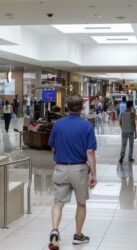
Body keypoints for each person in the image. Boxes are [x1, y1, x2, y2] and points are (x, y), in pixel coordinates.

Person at [47, 95, 97, 250]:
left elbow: (53, 147)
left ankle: (55, 230)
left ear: (66, 107)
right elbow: (90, 152)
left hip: (61, 167)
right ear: (82, 107)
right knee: (81, 203)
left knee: (58, 202)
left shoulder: (58, 125)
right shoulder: (87, 126)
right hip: (80, 169)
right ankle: (78, 235)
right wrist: (93, 174)